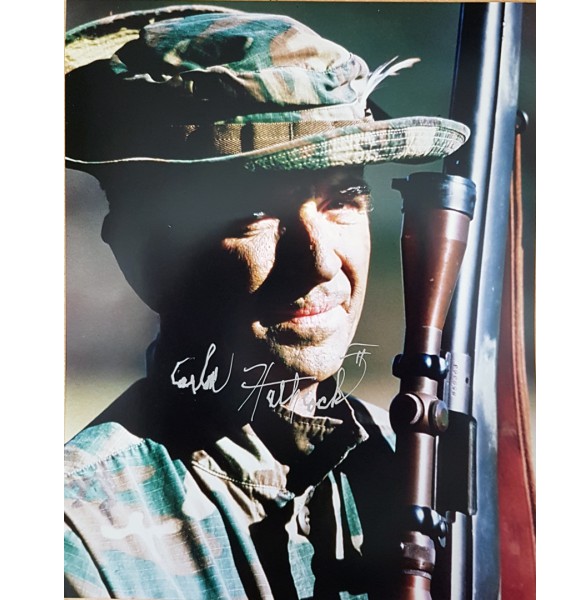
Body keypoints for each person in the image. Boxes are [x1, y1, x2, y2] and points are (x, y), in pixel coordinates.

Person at [64, 5, 469, 598]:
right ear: (140, 249)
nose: (322, 260)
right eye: (254, 213)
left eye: (343, 198)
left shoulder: (420, 474)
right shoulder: (79, 541)